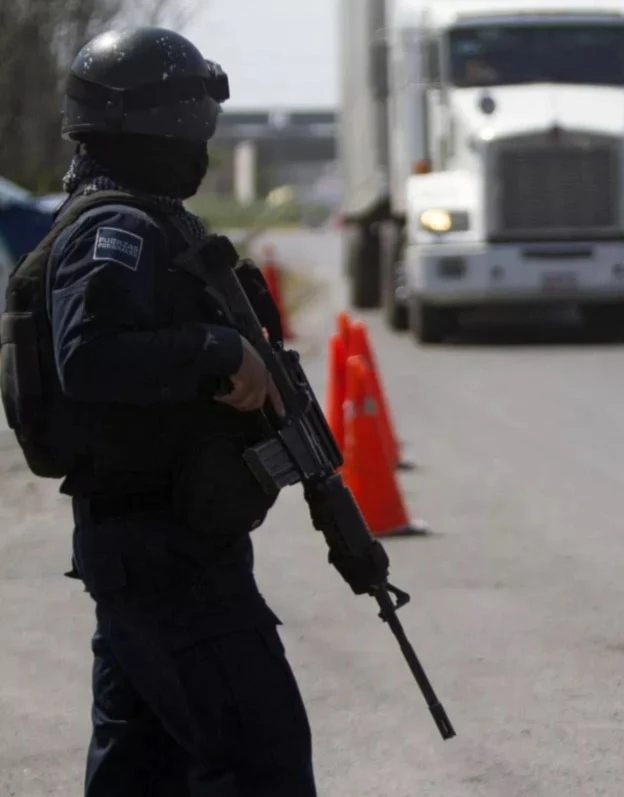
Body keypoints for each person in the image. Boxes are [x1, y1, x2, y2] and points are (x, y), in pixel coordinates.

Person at [32, 27, 316, 795]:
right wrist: (219, 352)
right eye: (195, 120)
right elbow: (86, 356)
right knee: (262, 761)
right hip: (163, 554)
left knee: (142, 772)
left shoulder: (149, 221)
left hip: (161, 543)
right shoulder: (114, 228)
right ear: (154, 123)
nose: (203, 143)